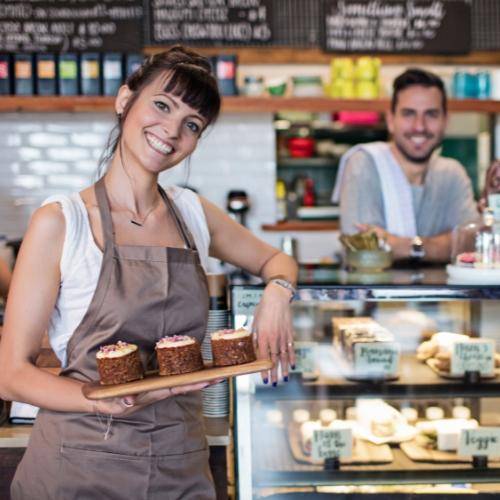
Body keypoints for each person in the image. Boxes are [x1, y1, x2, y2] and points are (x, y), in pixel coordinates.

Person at [0, 46, 297, 499]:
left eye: (192, 124)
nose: (172, 131)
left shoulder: (193, 213)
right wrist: (103, 398)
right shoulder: (62, 221)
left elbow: (278, 261)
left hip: (180, 466)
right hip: (79, 466)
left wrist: (277, 293)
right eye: (162, 105)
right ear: (125, 100)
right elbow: (11, 374)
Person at [332, 68, 478, 262]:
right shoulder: (364, 164)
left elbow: (470, 244)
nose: (419, 126)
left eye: (431, 114)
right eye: (409, 114)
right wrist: (442, 245)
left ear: (445, 121)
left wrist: (401, 245)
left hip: (444, 292)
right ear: (391, 120)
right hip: (375, 292)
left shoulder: (452, 174)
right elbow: (364, 252)